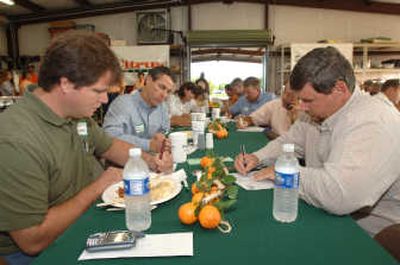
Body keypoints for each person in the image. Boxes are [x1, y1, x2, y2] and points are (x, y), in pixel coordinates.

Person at [0, 31, 172, 265]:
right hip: (41, 250)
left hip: (85, 218)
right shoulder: (16, 141)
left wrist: (152, 162)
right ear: (66, 83)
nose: (104, 100)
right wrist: (97, 187)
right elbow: (32, 240)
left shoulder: (76, 116)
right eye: (98, 91)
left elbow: (110, 145)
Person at [235, 46, 400, 236]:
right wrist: (257, 157)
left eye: (308, 100)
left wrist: (284, 174)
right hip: (327, 213)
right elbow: (289, 142)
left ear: (339, 88)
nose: (301, 108)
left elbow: (340, 195)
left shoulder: (374, 121)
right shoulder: (316, 112)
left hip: (370, 236)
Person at [103, 66, 174, 153]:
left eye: (168, 91)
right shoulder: (123, 104)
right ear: (148, 80)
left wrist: (163, 137)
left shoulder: (162, 108)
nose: (164, 95)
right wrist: (149, 144)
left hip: (153, 161)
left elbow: (165, 131)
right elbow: (109, 137)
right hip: (125, 164)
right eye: (161, 87)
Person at [235, 82, 300, 139]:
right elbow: (253, 118)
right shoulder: (275, 104)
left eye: (291, 95)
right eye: (285, 92)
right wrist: (244, 121)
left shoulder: (306, 113)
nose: (284, 97)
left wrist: (295, 119)